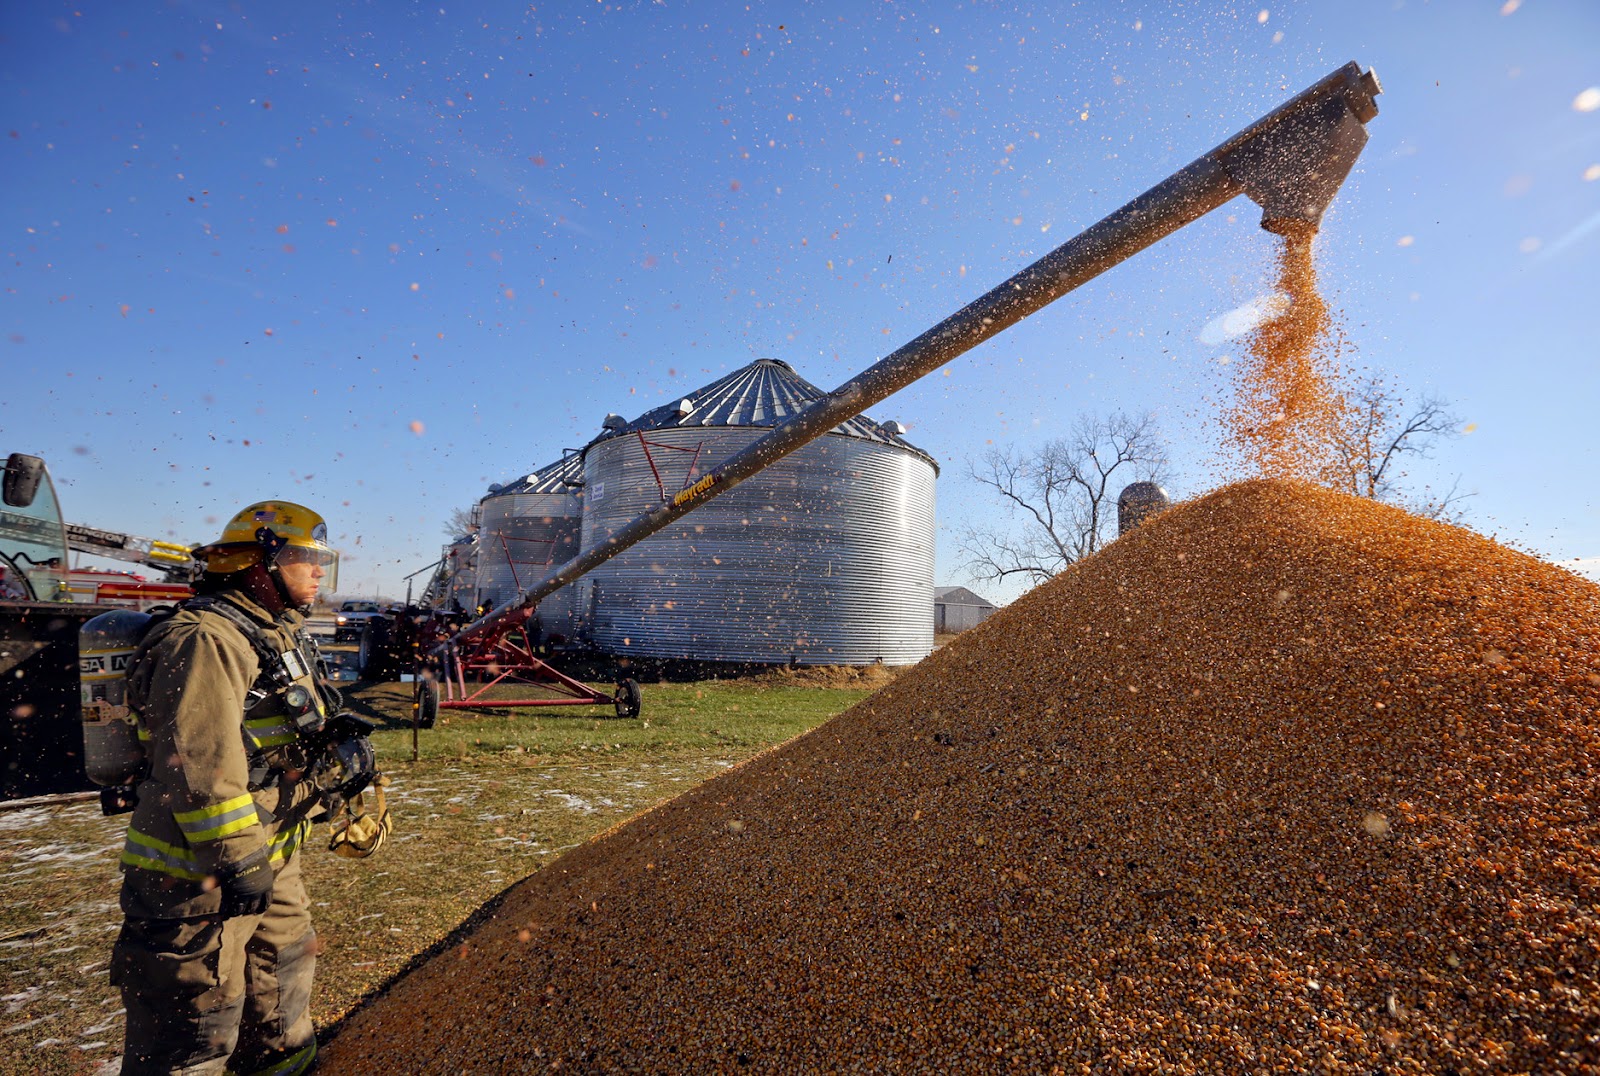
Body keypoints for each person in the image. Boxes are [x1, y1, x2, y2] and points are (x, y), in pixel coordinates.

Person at [112, 500, 386, 1076]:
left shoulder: (273, 631)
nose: (317, 571)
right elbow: (200, 768)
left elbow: (281, 723)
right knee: (196, 1005)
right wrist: (237, 861)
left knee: (283, 960)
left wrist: (336, 747)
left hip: (270, 846)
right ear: (256, 561)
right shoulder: (208, 639)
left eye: (322, 560)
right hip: (199, 867)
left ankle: (280, 1064)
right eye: (304, 558)